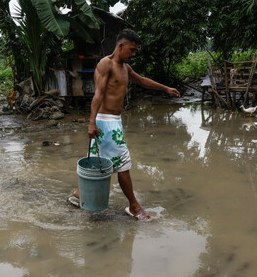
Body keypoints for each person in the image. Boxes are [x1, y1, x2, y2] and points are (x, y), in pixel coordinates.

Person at [68, 29, 180, 220]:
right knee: (123, 164)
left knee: (100, 161)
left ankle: (79, 194)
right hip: (105, 123)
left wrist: (165, 88)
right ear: (121, 46)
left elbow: (142, 81)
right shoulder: (106, 64)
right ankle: (134, 207)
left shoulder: (125, 68)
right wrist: (91, 122)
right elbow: (98, 94)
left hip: (114, 122)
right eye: (132, 50)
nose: (134, 54)